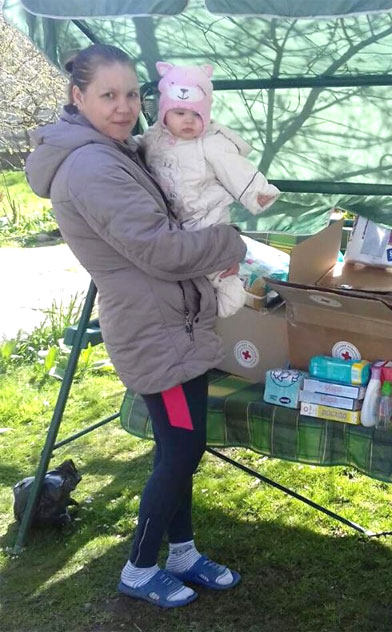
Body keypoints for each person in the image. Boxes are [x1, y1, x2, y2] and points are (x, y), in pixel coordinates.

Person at [25, 44, 247, 609]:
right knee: (182, 449)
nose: (124, 107)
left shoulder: (113, 150)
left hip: (171, 323)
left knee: (179, 448)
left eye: (131, 94)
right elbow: (161, 250)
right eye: (109, 95)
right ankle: (139, 567)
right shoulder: (92, 166)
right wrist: (231, 241)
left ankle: (183, 553)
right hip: (155, 335)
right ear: (78, 97)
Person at [138, 61, 280, 318]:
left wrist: (256, 192)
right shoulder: (153, 138)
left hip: (207, 214)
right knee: (188, 263)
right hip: (174, 219)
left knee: (215, 266)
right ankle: (202, 302)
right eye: (179, 113)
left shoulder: (211, 142)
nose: (188, 121)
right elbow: (136, 148)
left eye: (196, 115)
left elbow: (234, 168)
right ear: (164, 113)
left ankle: (226, 291)